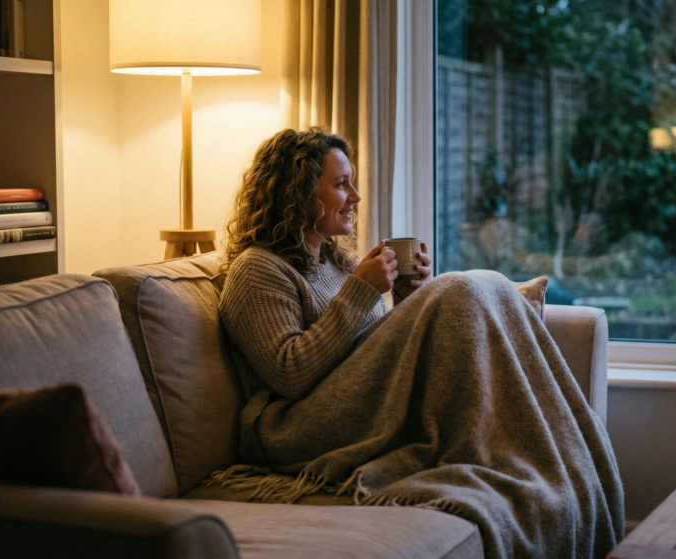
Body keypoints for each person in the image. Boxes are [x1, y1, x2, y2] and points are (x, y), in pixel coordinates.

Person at [217, 127, 623, 559]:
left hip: (351, 406)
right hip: (294, 429)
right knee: (459, 289)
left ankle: (564, 452)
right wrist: (362, 292)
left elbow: (369, 355)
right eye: (340, 185)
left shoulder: (339, 263)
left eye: (352, 183)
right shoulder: (257, 270)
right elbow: (290, 373)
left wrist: (406, 299)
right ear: (297, 194)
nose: (355, 196)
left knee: (480, 287)